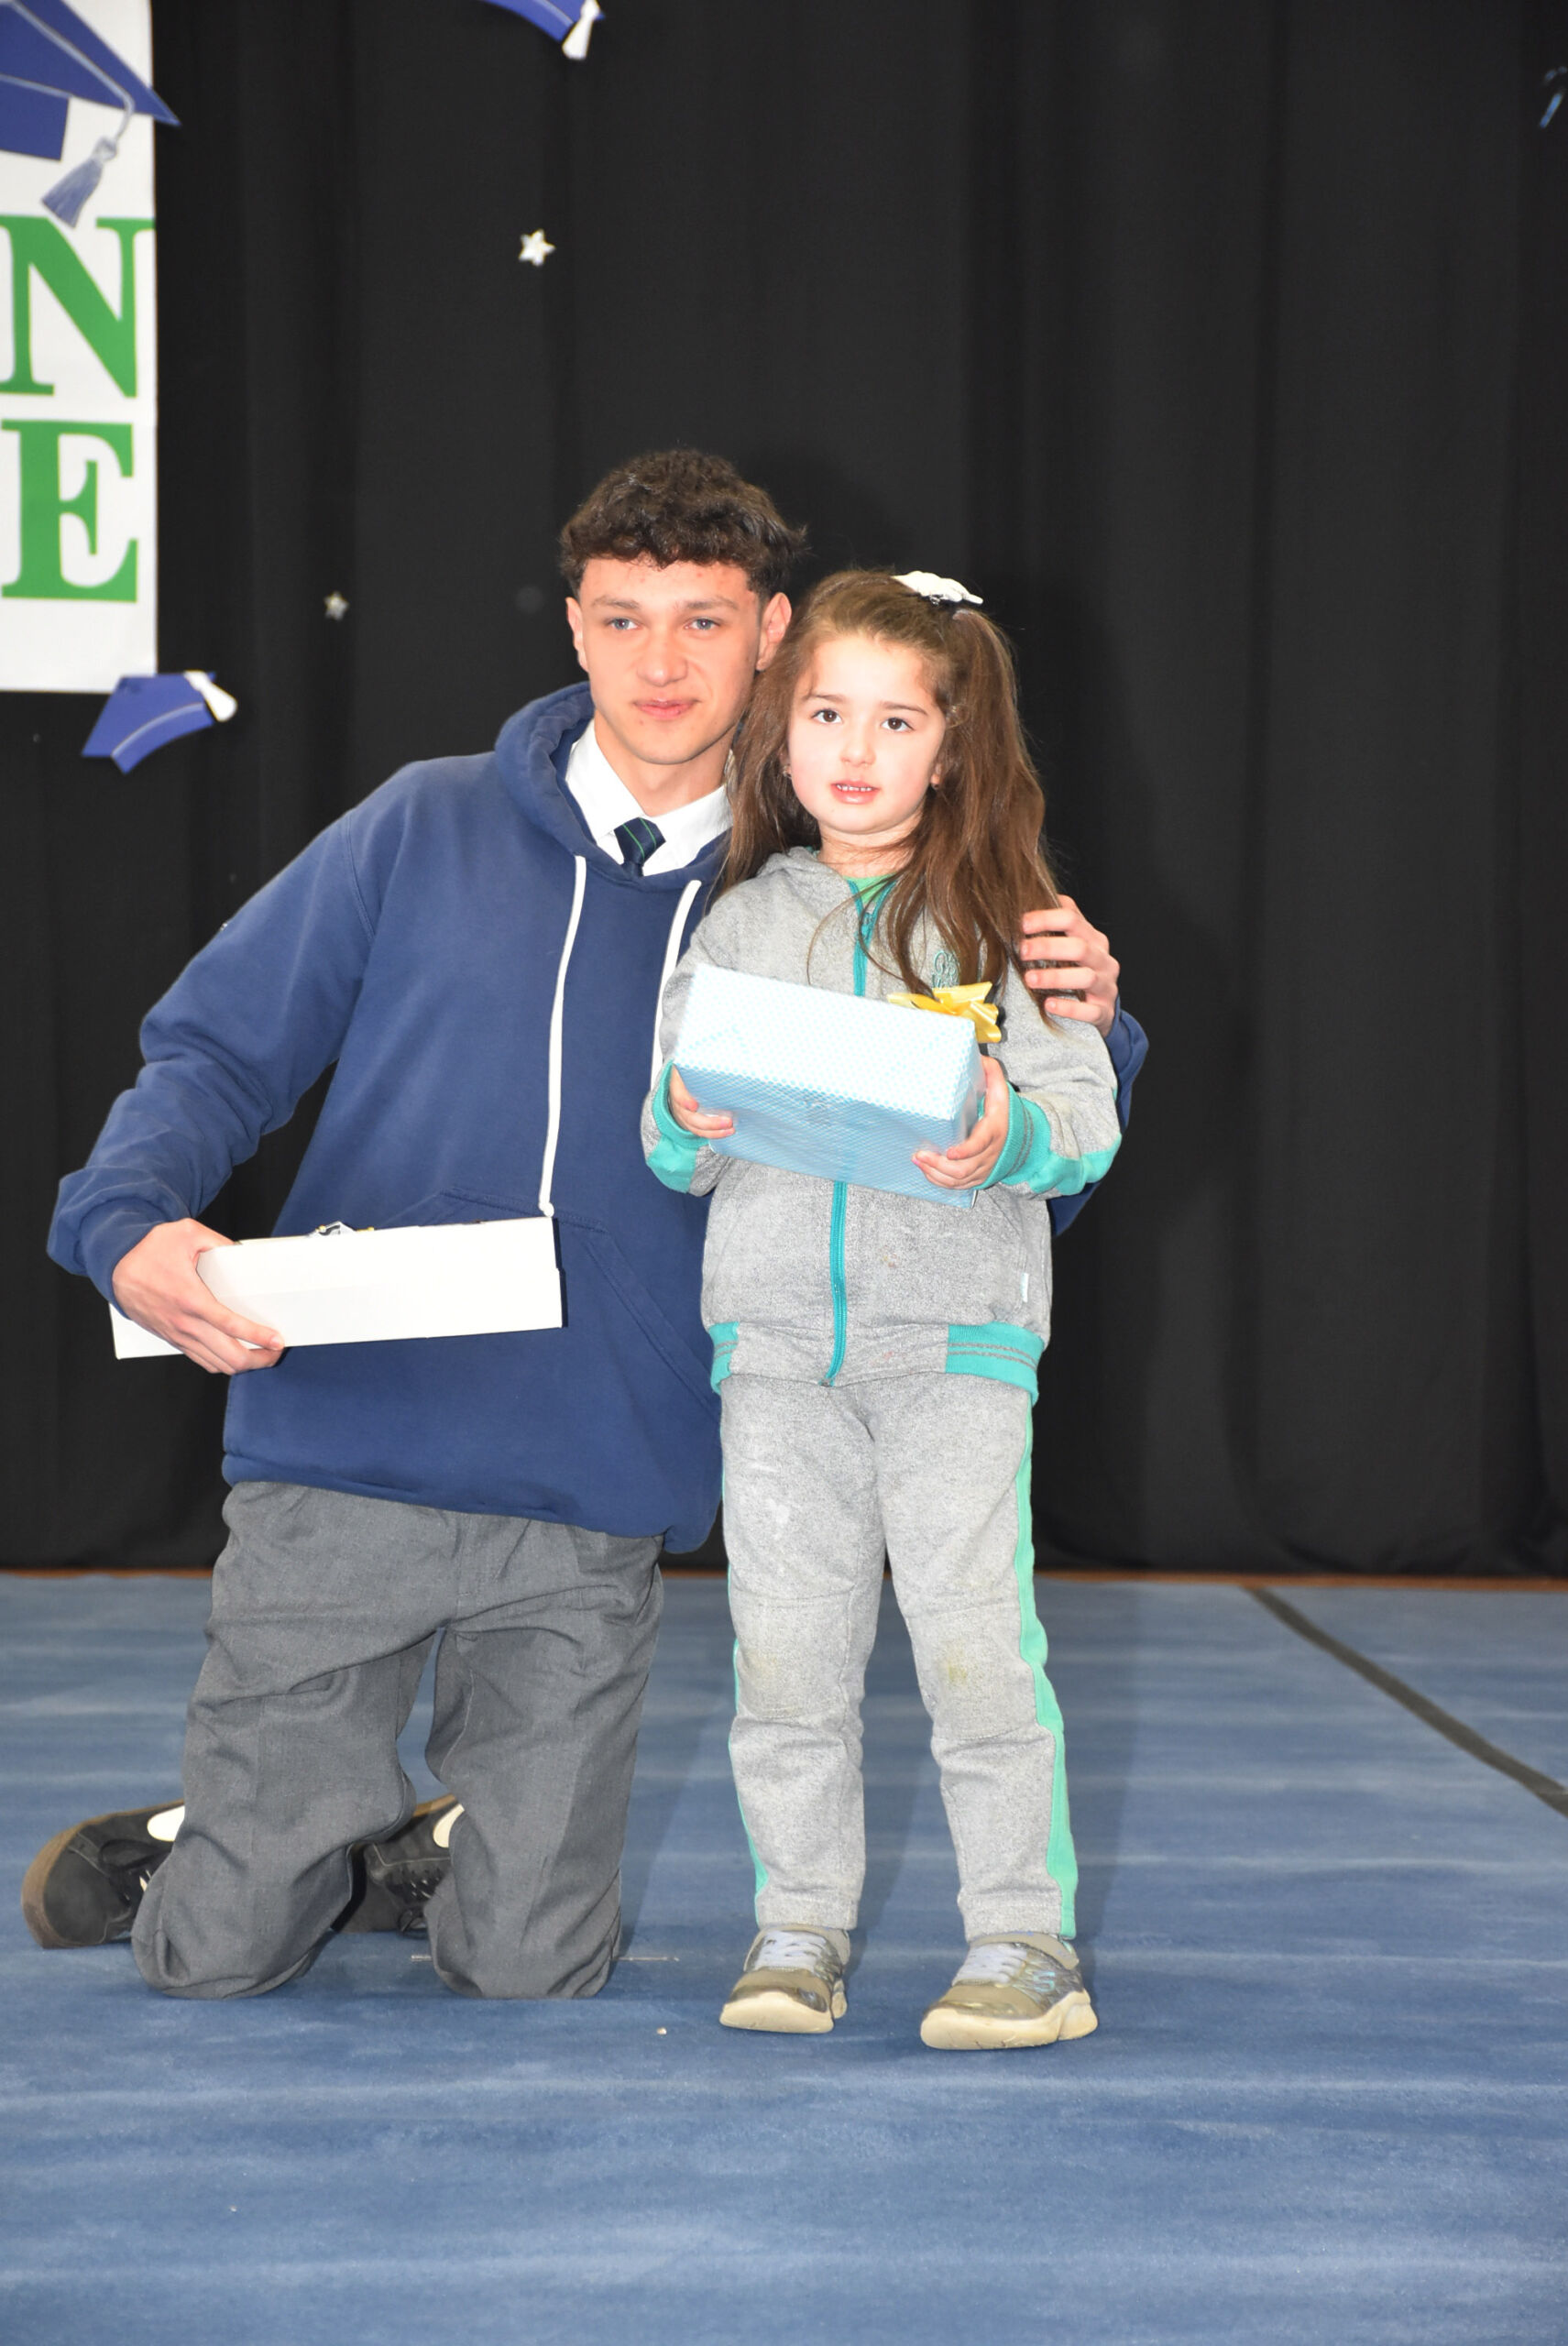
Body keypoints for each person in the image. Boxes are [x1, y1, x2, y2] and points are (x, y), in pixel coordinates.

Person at [24, 455, 1146, 2001]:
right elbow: (217, 1047)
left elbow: (1012, 1165)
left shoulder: (824, 888)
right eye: (623, 620)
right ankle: (224, 1845)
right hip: (355, 1431)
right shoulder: (420, 823)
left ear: (774, 634)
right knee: (218, 1962)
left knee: (530, 1969)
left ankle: (417, 1851)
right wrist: (124, 1220)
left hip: (596, 1477)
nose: (661, 663)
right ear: (573, 628)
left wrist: (1090, 1029)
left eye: (704, 621)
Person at [643, 569, 1118, 2049]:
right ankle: (799, 1928)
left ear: (954, 745)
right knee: (784, 1658)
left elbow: (1083, 1119)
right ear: (780, 734)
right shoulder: (738, 923)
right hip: (776, 1358)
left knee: (978, 1653)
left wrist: (1011, 1138)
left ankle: (1026, 1946)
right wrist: (685, 1118)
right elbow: (668, 1143)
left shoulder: (1013, 925)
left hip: (956, 1354)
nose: (856, 750)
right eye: (827, 715)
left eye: (898, 721)